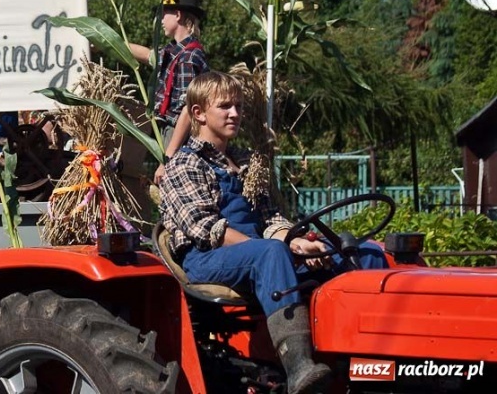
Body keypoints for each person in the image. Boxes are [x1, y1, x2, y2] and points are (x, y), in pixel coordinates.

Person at [159, 71, 387, 394]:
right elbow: (207, 229)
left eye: (238, 106)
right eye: (225, 106)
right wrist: (275, 247)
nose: (235, 113)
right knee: (269, 253)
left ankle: (378, 357)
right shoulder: (185, 165)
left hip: (261, 254)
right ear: (198, 114)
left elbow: (271, 219)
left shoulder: (246, 162)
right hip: (207, 259)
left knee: (358, 251)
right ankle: (298, 367)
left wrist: (294, 242)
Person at [128, 0, 210, 182]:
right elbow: (148, 55)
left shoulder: (189, 57)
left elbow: (188, 110)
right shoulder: (174, 51)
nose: (160, 20)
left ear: (179, 15)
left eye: (164, 14)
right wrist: (106, 41)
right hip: (171, 135)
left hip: (181, 137)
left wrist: (167, 160)